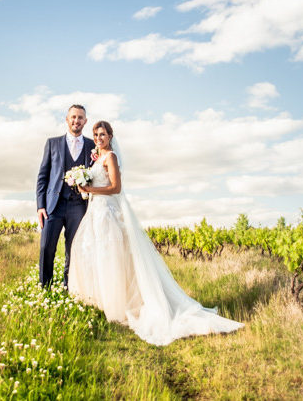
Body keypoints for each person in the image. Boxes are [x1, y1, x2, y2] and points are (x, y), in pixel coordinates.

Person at [68, 120, 243, 346]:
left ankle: (120, 308)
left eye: (103, 134)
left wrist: (89, 188)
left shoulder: (110, 157)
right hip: (96, 211)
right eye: (96, 134)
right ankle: (107, 303)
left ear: (110, 136)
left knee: (111, 257)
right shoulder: (97, 158)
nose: (99, 138)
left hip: (108, 213)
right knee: (99, 256)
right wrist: (85, 187)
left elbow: (116, 188)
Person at [35, 104, 95, 288]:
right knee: (46, 247)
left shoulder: (92, 146)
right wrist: (40, 206)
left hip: (78, 206)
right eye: (73, 117)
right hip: (54, 205)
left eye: (80, 117)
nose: (76, 120)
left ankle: (69, 286)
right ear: (67, 119)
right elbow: (43, 176)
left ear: (85, 121)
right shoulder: (52, 143)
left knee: (73, 249)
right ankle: (45, 287)